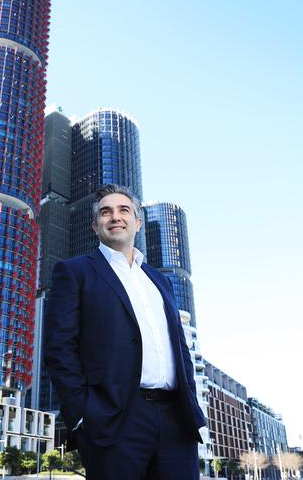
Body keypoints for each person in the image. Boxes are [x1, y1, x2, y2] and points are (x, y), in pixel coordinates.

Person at [44, 184, 206, 479]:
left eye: (123, 210)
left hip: (175, 421)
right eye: (106, 212)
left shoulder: (160, 281)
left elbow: (180, 349)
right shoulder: (75, 272)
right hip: (114, 419)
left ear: (138, 222)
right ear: (95, 225)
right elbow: (60, 348)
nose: (115, 217)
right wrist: (82, 415)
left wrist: (191, 403)